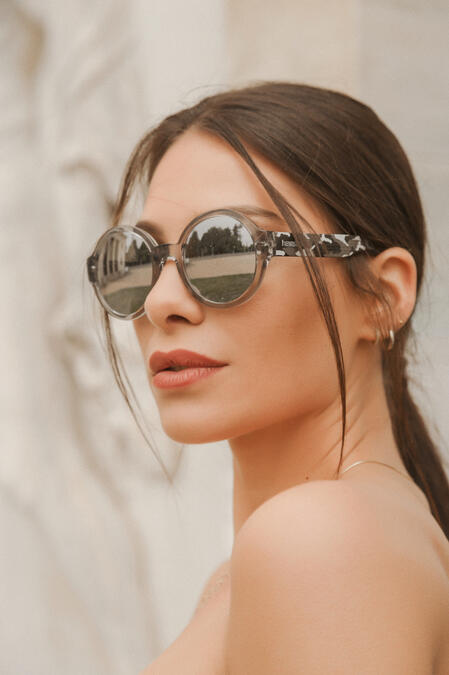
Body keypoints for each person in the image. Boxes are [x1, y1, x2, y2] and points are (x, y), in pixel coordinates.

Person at [86, 82, 449, 674]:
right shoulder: (278, 562)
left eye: (224, 249)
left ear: (381, 296)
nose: (160, 303)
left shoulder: (317, 542)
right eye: (136, 260)